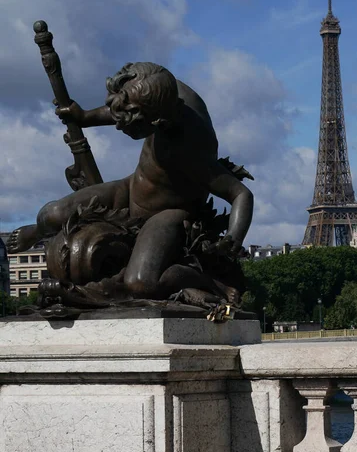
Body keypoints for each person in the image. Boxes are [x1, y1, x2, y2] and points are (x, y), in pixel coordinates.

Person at [8, 62, 253, 304]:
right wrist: (85, 117)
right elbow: (125, 107)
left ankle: (206, 281)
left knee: (141, 283)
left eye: (129, 126)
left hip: (167, 214)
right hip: (131, 188)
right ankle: (39, 231)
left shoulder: (190, 150)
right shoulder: (158, 88)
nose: (117, 125)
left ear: (158, 123)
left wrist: (233, 238)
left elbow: (241, 194)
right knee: (52, 214)